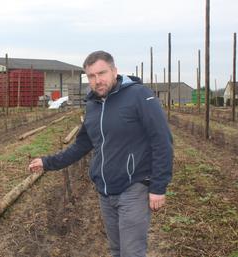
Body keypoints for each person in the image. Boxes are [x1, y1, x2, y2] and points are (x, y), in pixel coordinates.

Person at [29, 50, 173, 257]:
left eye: (102, 73)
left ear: (114, 71)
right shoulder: (93, 105)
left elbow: (162, 141)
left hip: (134, 186)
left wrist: (159, 187)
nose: (97, 80)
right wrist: (47, 162)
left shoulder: (139, 95)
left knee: (131, 252)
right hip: (105, 191)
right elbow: (81, 145)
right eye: (91, 76)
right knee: (116, 250)